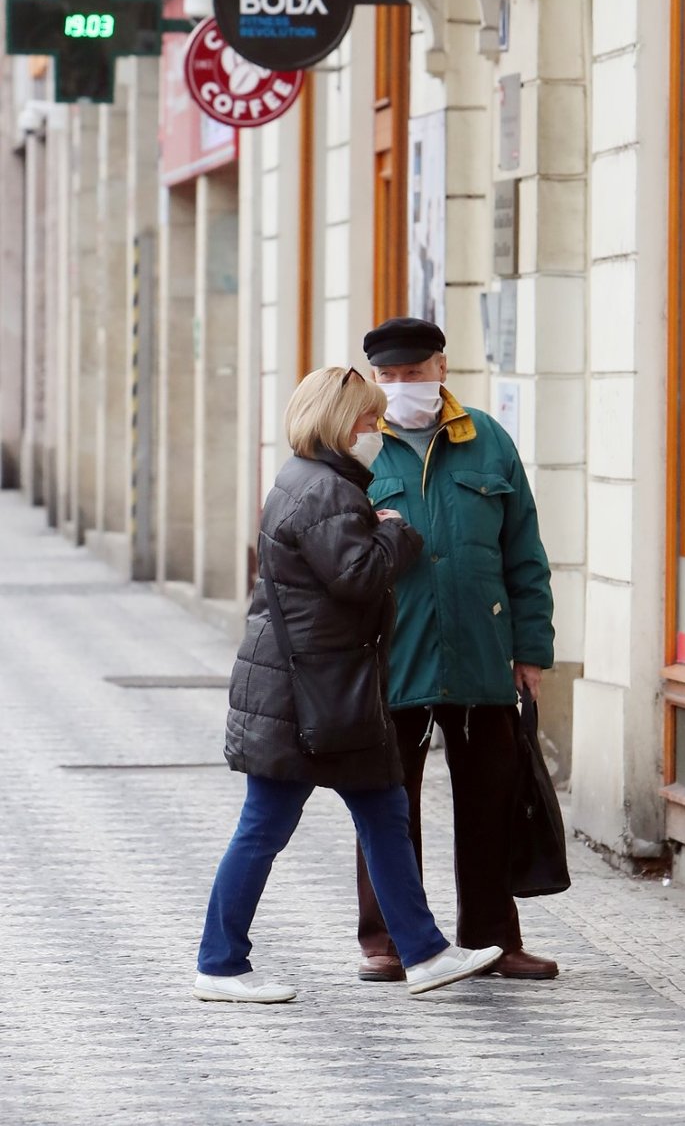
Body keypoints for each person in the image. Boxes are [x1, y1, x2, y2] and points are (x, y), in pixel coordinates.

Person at [192, 366, 502, 1002]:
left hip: (316, 688)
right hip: (310, 694)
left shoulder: (305, 480)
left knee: (382, 811)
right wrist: (395, 531)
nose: (376, 433)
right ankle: (220, 963)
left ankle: (422, 953)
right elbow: (358, 578)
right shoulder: (326, 493)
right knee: (268, 825)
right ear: (339, 424)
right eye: (368, 421)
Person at [356, 317, 560, 982]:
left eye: (411, 374)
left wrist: (530, 649)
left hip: (480, 650)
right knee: (387, 801)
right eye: (386, 377)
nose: (399, 387)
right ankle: (387, 938)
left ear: (441, 368)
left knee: (489, 799)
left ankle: (494, 936)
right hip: (390, 654)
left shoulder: (487, 440)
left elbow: (523, 551)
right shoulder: (359, 449)